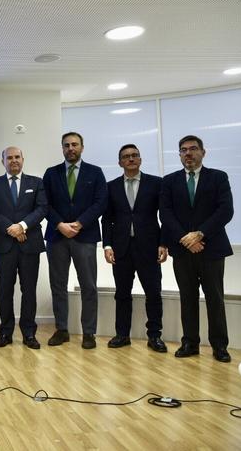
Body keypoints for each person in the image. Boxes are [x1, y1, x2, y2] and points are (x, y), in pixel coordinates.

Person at [160, 135, 234, 362]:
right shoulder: (169, 181)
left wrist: (200, 234)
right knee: (187, 298)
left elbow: (225, 210)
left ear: (203, 152)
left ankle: (219, 346)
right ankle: (190, 343)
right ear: (179, 154)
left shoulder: (218, 177)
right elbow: (166, 214)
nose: (188, 153)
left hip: (212, 249)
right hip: (183, 251)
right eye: (183, 150)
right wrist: (186, 239)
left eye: (193, 149)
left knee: (215, 299)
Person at [43, 132, 107, 349]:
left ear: (82, 147)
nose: (70, 148)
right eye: (66, 145)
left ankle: (89, 332)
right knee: (58, 285)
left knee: (88, 286)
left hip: (85, 236)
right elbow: (45, 204)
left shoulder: (95, 172)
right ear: (62, 148)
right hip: (57, 236)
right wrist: (60, 224)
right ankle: (62, 329)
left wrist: (79, 223)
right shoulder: (51, 173)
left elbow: (100, 202)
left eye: (74, 144)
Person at [101, 144, 168, 352]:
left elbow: (165, 216)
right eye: (126, 156)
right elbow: (107, 219)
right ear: (119, 162)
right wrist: (107, 245)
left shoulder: (156, 183)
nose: (130, 159)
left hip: (149, 247)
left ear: (140, 159)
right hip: (121, 248)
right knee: (122, 294)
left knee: (153, 293)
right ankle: (122, 335)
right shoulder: (111, 186)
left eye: (134, 155)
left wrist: (163, 243)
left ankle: (154, 336)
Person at [0, 146, 47, 350]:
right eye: (9, 157)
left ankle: (29, 333)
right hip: (4, 244)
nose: (13, 160)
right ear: (2, 161)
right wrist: (11, 229)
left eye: (17, 157)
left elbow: (42, 208)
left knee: (29, 290)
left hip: (29, 243)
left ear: (23, 159)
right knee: (5, 290)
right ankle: (5, 332)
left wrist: (22, 226)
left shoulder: (36, 182)